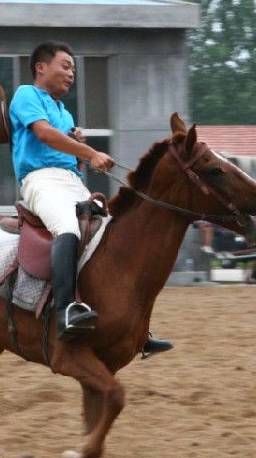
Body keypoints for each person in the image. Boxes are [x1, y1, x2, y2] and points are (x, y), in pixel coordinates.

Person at [9, 41, 173, 354]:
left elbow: (67, 151)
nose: (71, 74)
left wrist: (80, 152)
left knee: (113, 238)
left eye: (73, 69)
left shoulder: (63, 110)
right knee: (67, 229)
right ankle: (66, 311)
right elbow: (43, 134)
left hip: (72, 181)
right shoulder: (27, 95)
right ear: (41, 68)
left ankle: (136, 327)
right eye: (65, 66)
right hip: (40, 180)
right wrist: (89, 151)